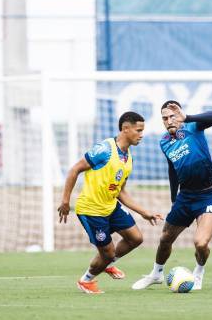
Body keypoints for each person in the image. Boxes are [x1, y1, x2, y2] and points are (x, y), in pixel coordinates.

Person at [58, 111, 163, 294]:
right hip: (91, 210)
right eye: (138, 130)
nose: (141, 134)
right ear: (125, 129)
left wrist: (143, 212)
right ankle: (86, 280)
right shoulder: (105, 149)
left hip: (111, 206)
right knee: (107, 252)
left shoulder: (128, 158)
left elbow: (121, 191)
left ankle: (107, 263)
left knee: (136, 238)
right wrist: (65, 201)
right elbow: (75, 169)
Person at [132, 100, 212, 291]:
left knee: (200, 243)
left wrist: (187, 117)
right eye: (165, 118)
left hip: (208, 195)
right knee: (165, 238)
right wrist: (174, 199)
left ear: (180, 114)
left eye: (172, 116)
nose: (169, 120)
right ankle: (156, 274)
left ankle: (198, 273)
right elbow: (173, 170)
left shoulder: (194, 125)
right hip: (185, 197)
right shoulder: (164, 141)